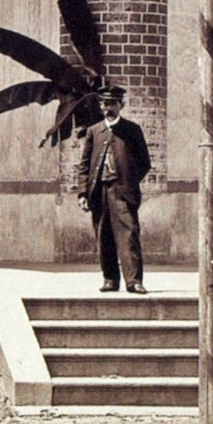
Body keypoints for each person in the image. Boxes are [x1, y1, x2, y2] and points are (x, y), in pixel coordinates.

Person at [71, 85, 152, 294]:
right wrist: (83, 193)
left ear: (121, 105)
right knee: (104, 235)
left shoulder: (132, 130)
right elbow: (84, 165)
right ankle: (110, 279)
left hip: (122, 192)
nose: (107, 108)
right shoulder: (94, 131)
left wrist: (129, 181)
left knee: (129, 234)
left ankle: (134, 281)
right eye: (104, 104)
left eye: (111, 104)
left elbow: (144, 162)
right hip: (99, 192)